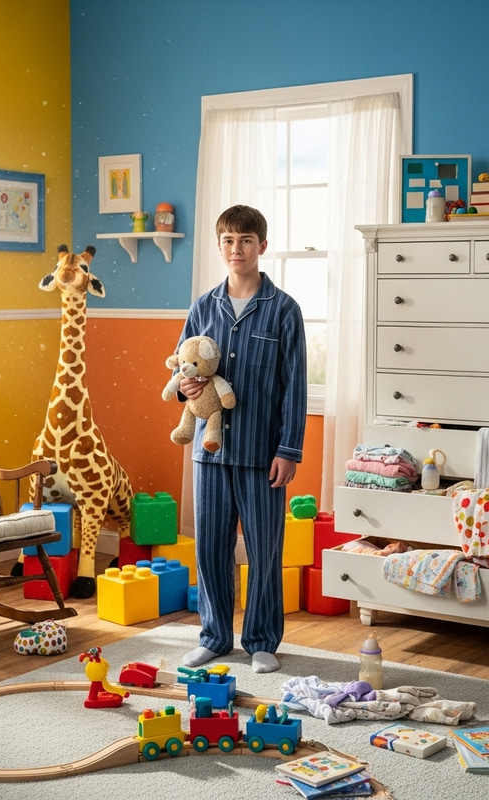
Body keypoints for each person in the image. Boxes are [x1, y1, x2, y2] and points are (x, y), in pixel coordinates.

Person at [175, 204, 307, 674]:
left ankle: (262, 641)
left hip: (261, 452)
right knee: (210, 548)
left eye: (246, 240)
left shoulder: (284, 310)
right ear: (219, 246)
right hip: (209, 453)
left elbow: (295, 386)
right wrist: (185, 388)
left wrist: (289, 450)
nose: (237, 249)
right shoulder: (202, 307)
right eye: (229, 240)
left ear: (261, 246)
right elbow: (182, 367)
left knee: (264, 549)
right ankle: (214, 637)